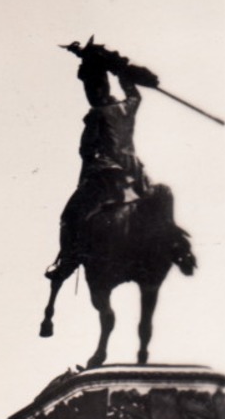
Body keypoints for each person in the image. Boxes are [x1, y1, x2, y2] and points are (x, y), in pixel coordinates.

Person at [46, 40, 158, 281]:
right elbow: (133, 93)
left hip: (105, 174)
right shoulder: (127, 107)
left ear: (93, 90)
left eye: (89, 89)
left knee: (69, 215)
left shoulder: (96, 115)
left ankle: (67, 261)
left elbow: (86, 151)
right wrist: (121, 70)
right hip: (135, 172)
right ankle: (176, 246)